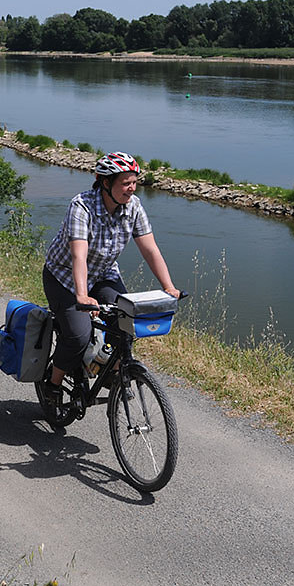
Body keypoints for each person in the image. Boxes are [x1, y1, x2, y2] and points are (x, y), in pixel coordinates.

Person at [41, 151, 179, 403]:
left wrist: (168, 287)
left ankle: (111, 373)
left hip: (103, 274)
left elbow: (150, 248)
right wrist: (82, 296)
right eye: (125, 183)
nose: (132, 189)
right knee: (78, 335)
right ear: (105, 182)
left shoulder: (134, 206)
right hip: (63, 278)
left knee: (125, 323)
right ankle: (54, 383)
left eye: (134, 182)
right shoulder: (82, 206)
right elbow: (78, 256)